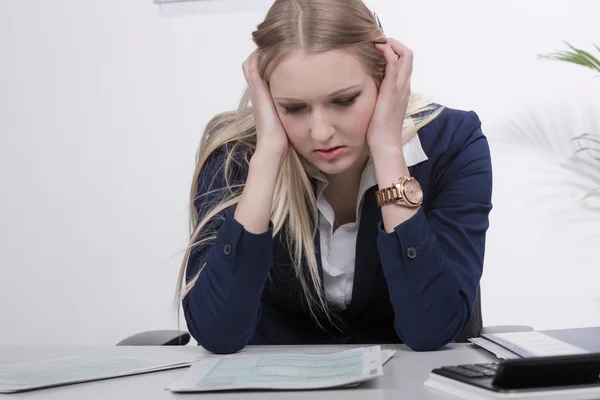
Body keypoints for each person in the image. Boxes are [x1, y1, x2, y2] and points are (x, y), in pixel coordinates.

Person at [176, 0, 492, 355]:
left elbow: (432, 330)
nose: (321, 132)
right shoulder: (234, 155)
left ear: (385, 78)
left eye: (344, 101)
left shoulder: (452, 143)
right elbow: (217, 333)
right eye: (293, 108)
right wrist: (266, 157)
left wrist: (388, 150)